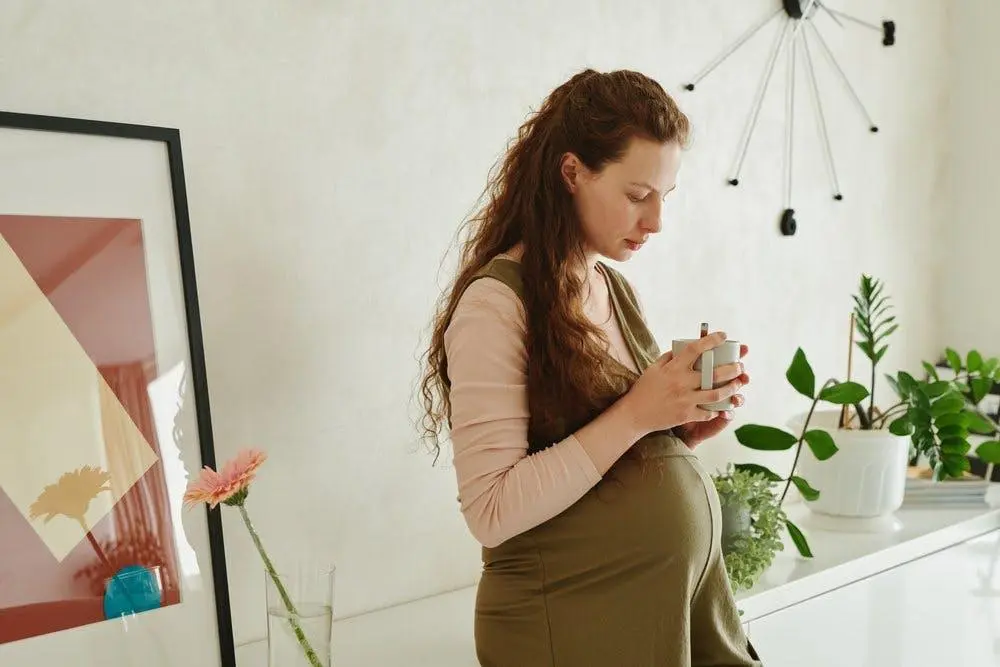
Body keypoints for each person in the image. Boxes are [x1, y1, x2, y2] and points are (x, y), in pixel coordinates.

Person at [418, 68, 760, 666]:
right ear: (572, 172)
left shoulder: (611, 287)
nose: (655, 221)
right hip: (566, 623)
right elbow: (491, 511)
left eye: (664, 197)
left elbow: (597, 460)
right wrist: (637, 415)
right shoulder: (497, 303)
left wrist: (674, 428)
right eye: (636, 195)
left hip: (645, 611)